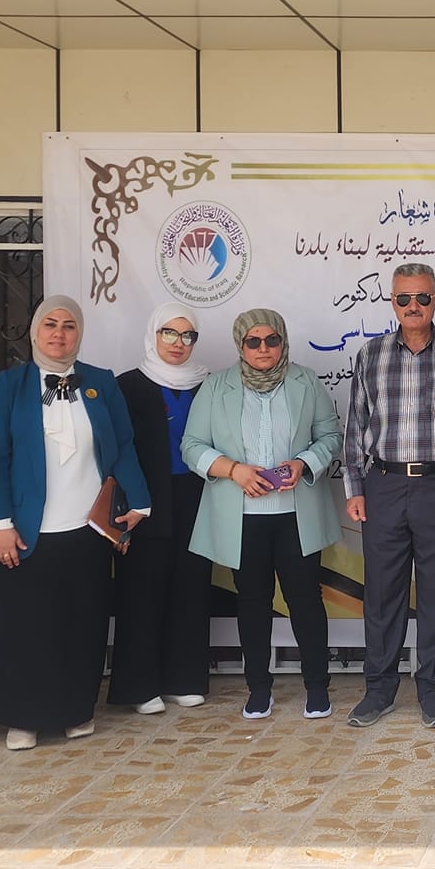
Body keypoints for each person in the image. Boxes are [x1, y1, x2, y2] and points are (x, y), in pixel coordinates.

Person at [0, 295, 151, 751]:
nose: (59, 333)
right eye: (50, 324)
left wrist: (140, 503)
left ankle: (77, 710)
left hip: (87, 529)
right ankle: (24, 719)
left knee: (83, 622)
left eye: (69, 325)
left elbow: (123, 446)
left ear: (79, 333)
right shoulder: (10, 385)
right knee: (26, 627)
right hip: (25, 531)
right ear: (35, 332)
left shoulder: (100, 382)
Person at [341, 263, 435, 729]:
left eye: (422, 297)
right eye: (403, 298)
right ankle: (379, 689)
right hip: (383, 485)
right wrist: (355, 488)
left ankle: (432, 689)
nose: (413, 306)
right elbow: (355, 427)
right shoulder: (370, 355)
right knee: (382, 593)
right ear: (392, 301)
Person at [182, 308, 342, 721]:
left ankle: (317, 686)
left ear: (283, 341)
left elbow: (330, 436)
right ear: (240, 345)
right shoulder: (216, 386)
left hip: (296, 514)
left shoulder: (306, 381)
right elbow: (191, 446)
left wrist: (304, 463)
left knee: (305, 600)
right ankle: (258, 688)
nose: (263, 348)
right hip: (242, 517)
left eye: (272, 340)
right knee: (252, 603)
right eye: (253, 341)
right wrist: (233, 470)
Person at [110, 303, 214, 715]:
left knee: (191, 586)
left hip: (197, 496)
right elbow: (117, 450)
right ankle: (140, 686)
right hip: (144, 501)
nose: (178, 342)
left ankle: (184, 678)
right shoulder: (128, 386)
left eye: (187, 335)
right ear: (153, 334)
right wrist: (129, 503)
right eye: (169, 332)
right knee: (142, 591)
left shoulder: (209, 384)